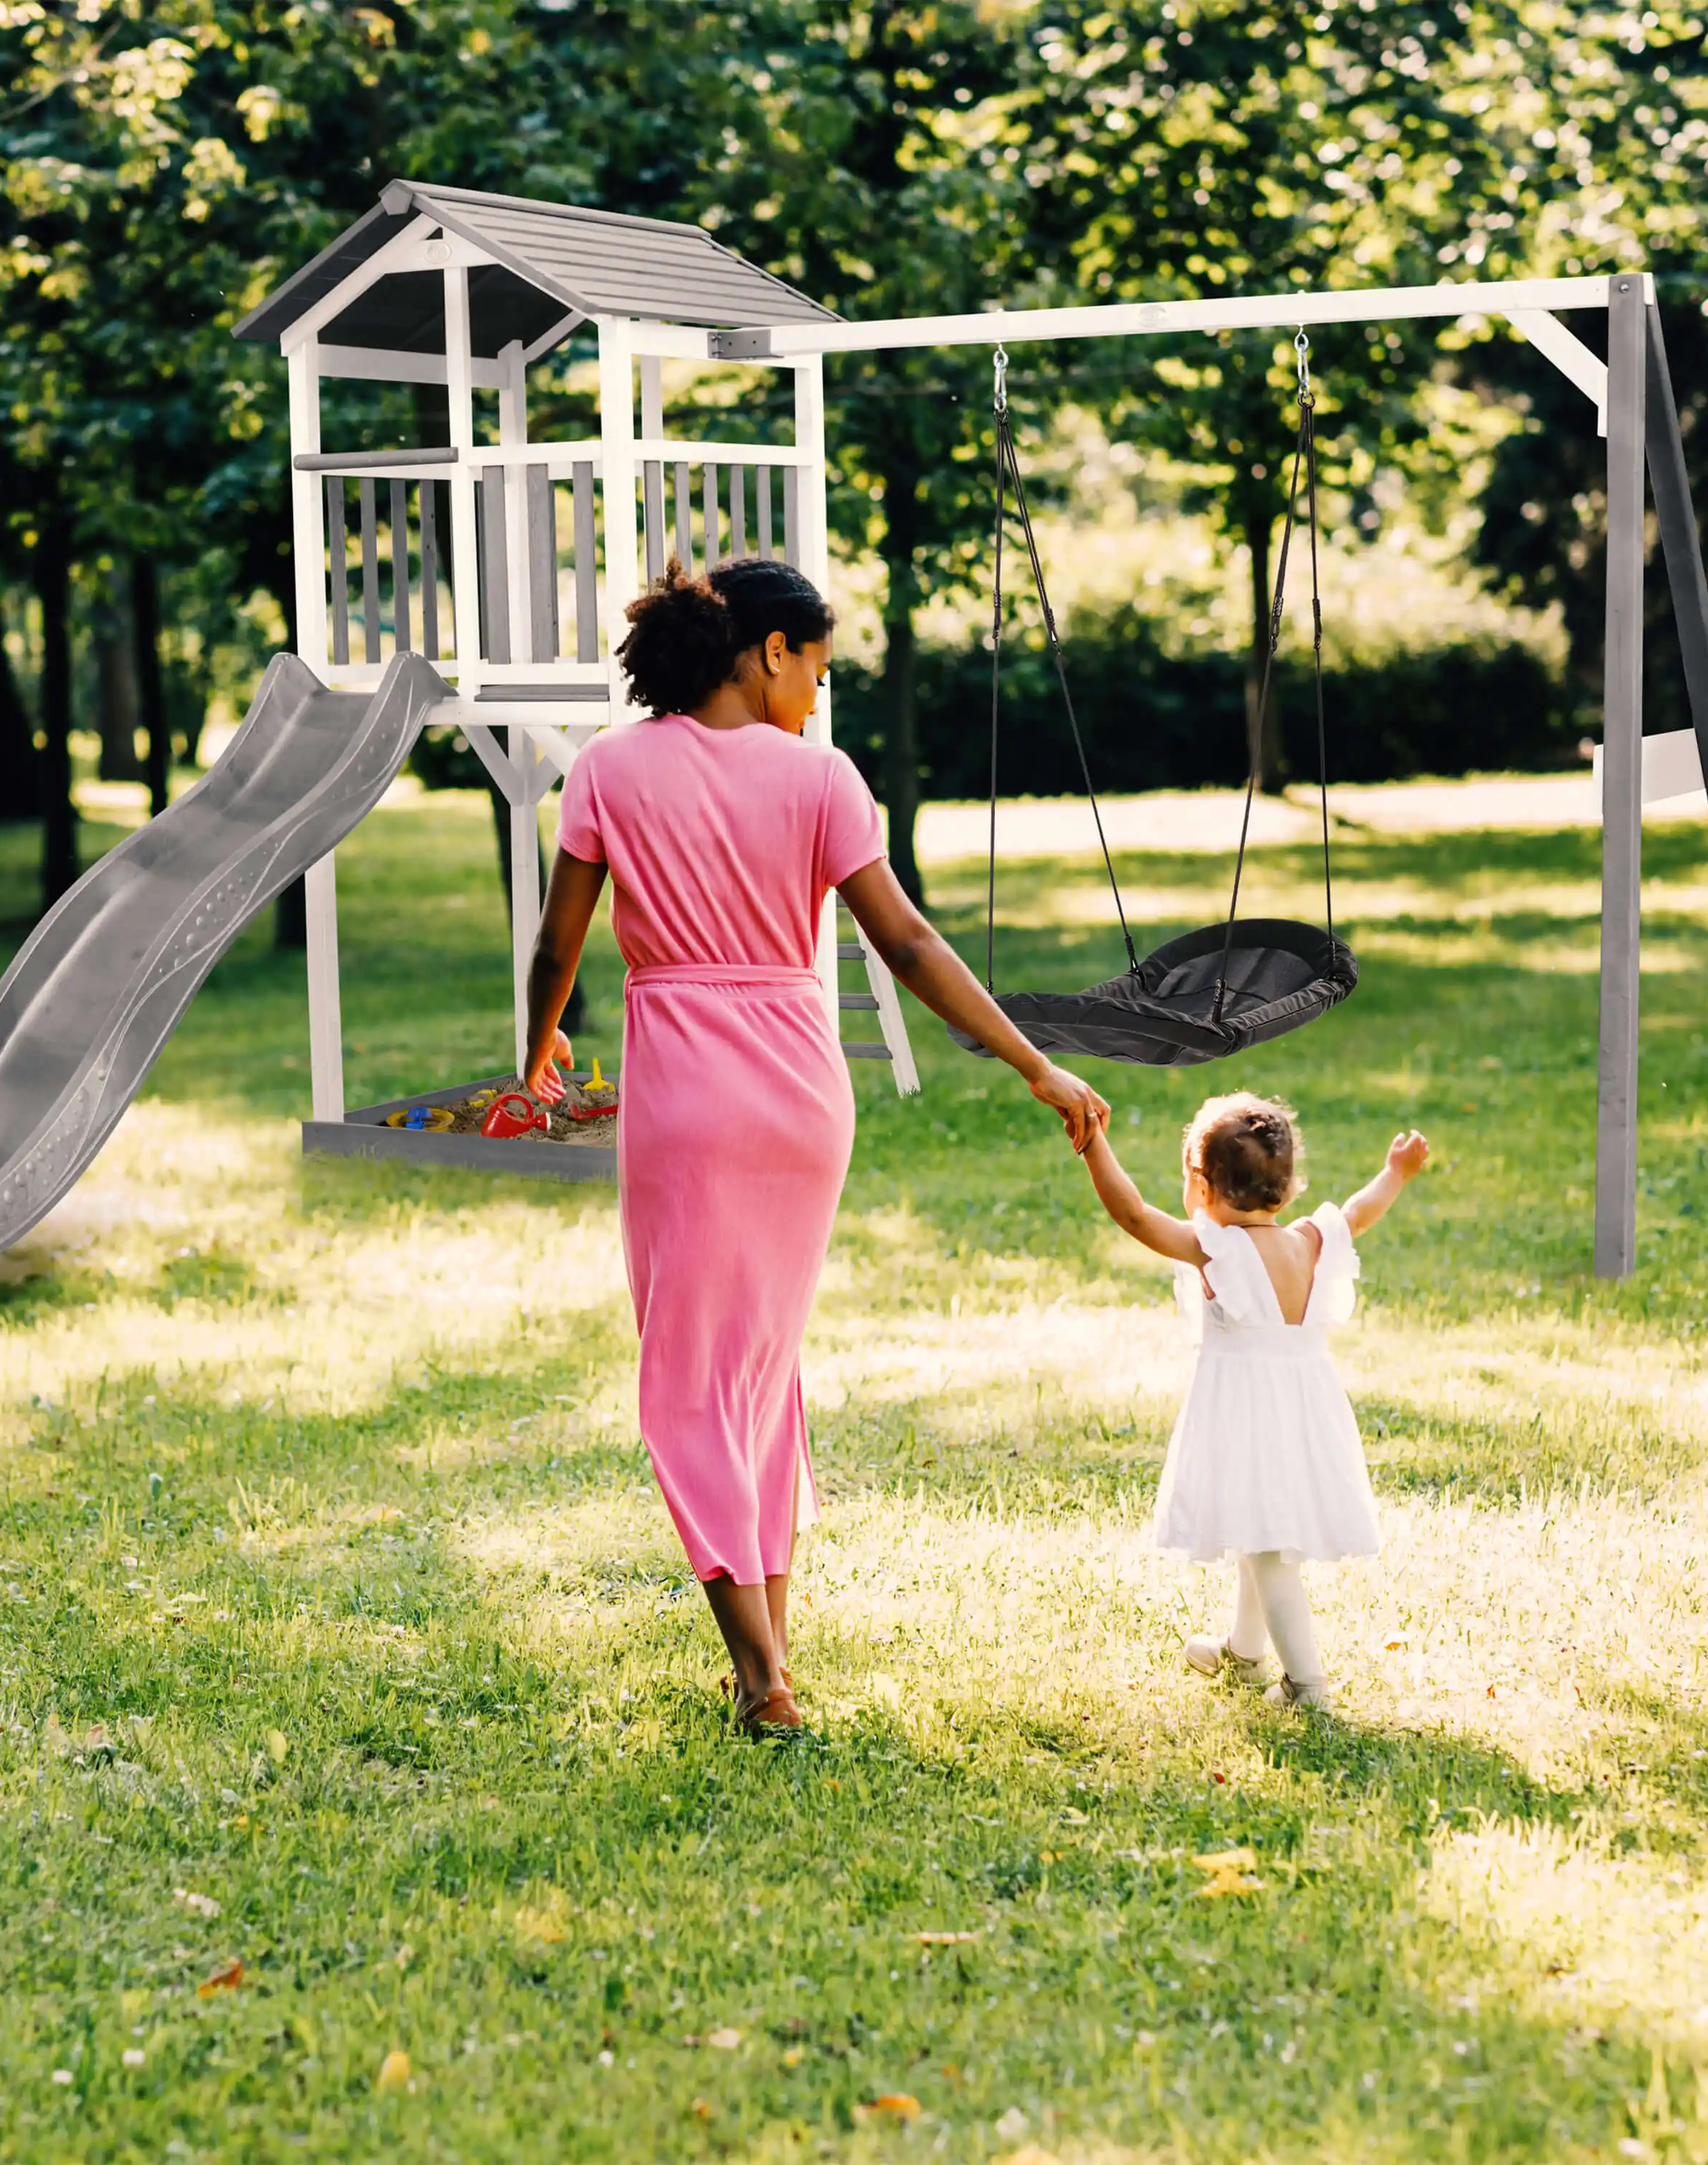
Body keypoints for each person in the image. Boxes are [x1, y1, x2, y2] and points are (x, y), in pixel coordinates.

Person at [520, 557, 1110, 1737]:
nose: (818, 697)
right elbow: (909, 944)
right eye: (818, 670)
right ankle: (771, 1656)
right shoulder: (822, 780)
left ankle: (759, 1677)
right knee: (759, 1372)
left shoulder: (608, 769)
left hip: (686, 1094)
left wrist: (534, 1053)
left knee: (691, 1382)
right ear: (769, 651)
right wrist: (1033, 1061)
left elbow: (559, 944)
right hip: (800, 1094)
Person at [1075, 1093, 1431, 1711]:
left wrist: (1092, 1143)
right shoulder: (1312, 1240)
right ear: (1287, 1188)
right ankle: (1244, 1653)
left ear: (1202, 1185)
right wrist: (1395, 1173)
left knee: (1268, 1551)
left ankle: (1307, 1685)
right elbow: (1360, 1211)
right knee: (1255, 1527)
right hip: (1304, 1412)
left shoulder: (1217, 1251)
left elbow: (1133, 1215)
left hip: (1247, 1416)